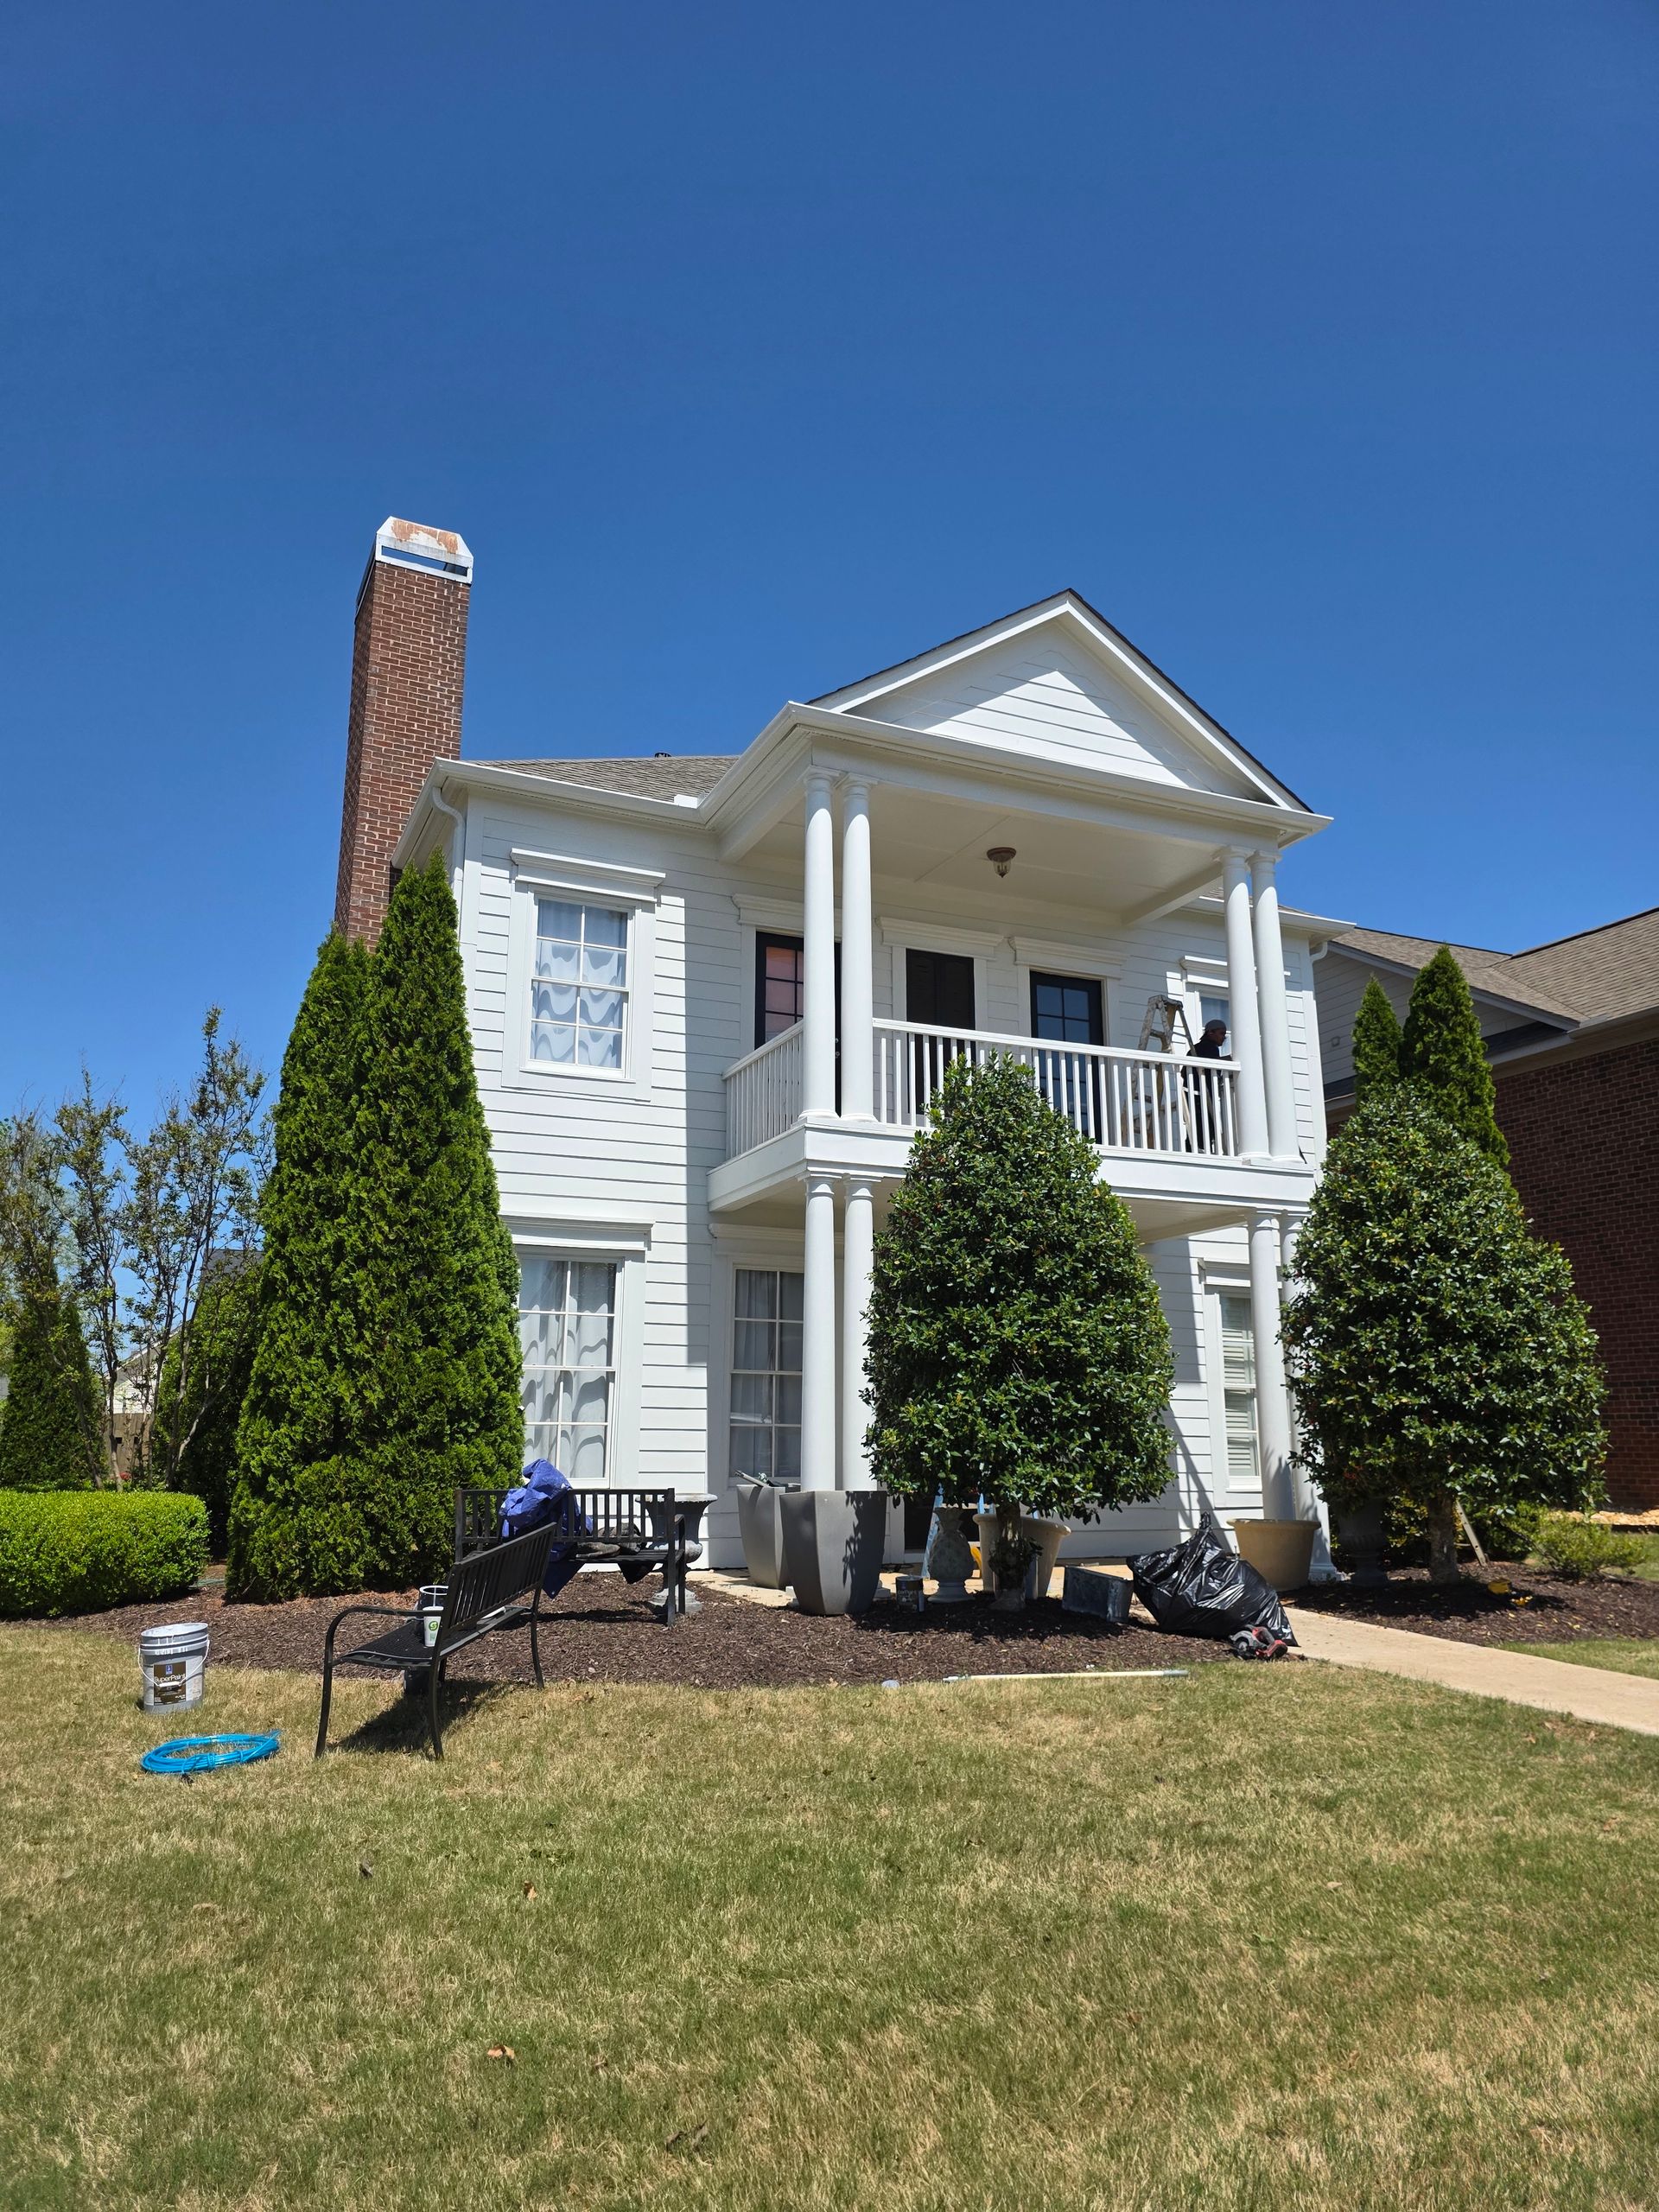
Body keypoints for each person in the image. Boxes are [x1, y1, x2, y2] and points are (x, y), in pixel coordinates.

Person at [1186, 1018, 1228, 1151]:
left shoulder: (1199, 1047)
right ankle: (1201, 1150)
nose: (1224, 1037)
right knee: (1205, 1125)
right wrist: (1232, 1059)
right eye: (1221, 1033)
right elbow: (1213, 1063)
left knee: (1197, 1126)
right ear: (1211, 1033)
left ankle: (1195, 1149)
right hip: (1199, 1094)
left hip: (1195, 1093)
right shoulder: (1208, 1046)